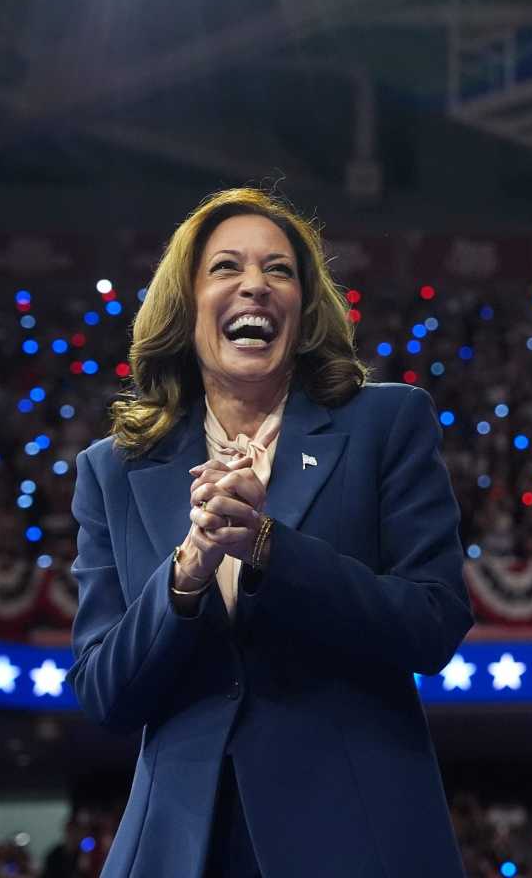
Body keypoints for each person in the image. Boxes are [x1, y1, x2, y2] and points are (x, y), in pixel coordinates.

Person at [68, 187, 472, 877]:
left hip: (353, 834)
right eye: (225, 267)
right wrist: (186, 573)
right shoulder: (114, 469)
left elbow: (433, 623)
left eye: (279, 269)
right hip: (179, 847)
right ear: (186, 304)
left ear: (305, 307)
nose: (254, 283)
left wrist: (267, 548)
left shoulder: (386, 424)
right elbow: (104, 690)